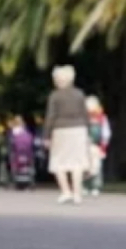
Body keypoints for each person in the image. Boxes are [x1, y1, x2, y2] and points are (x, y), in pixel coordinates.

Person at [43, 65, 91, 205]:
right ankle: (77, 194)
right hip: (79, 130)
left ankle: (66, 191)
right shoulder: (80, 94)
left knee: (59, 162)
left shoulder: (55, 96)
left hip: (60, 130)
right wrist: (88, 132)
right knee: (77, 163)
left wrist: (46, 135)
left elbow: (50, 116)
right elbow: (85, 114)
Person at [84, 96, 112, 197]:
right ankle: (85, 186)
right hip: (84, 147)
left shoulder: (102, 118)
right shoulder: (83, 119)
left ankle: (96, 186)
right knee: (85, 167)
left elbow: (106, 132)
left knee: (96, 167)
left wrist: (104, 145)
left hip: (97, 146)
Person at [8, 116, 36, 190]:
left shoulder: (13, 132)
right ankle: (28, 183)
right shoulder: (26, 132)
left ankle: (17, 183)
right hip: (27, 154)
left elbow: (11, 144)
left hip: (16, 154)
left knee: (16, 168)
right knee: (27, 168)